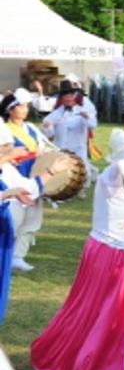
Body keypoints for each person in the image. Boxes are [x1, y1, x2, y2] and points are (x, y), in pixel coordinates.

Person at [31, 154, 124, 370]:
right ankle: (106, 359)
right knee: (115, 313)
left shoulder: (114, 182)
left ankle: (83, 350)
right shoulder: (116, 182)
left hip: (101, 251)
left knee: (91, 308)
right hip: (120, 258)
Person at [0, 126, 57, 324]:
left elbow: (28, 188)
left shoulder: (7, 169)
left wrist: (52, 172)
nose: (10, 149)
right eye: (5, 146)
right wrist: (6, 194)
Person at [1, 88, 46, 272]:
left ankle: (19, 255)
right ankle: (8, 254)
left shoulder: (32, 128)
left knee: (32, 219)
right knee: (15, 218)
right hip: (12, 176)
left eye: (27, 106)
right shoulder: (4, 129)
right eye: (21, 106)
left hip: (33, 174)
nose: (25, 109)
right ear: (10, 110)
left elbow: (41, 150)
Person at [40, 80, 98, 167]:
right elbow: (48, 134)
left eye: (71, 95)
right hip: (61, 150)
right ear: (61, 98)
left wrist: (87, 117)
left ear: (74, 96)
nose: (68, 98)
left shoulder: (82, 110)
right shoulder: (57, 112)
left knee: (81, 174)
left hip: (78, 151)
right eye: (65, 96)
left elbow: (92, 125)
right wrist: (47, 127)